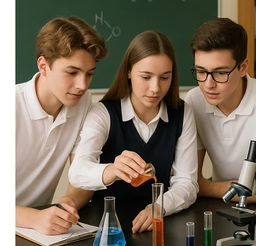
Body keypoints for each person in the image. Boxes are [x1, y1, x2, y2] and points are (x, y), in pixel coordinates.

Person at [69, 30, 198, 233]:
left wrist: (159, 207)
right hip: (108, 227)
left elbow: (187, 183)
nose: (155, 88)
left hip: (159, 222)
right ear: (128, 72)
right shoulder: (103, 113)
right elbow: (77, 172)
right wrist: (111, 170)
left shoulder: (183, 113)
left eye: (165, 77)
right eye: (146, 77)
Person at [16, 16, 108, 235]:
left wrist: (66, 204)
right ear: (43, 66)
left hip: (37, 232)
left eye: (89, 74)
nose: (82, 85)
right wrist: (34, 218)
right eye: (72, 72)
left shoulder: (83, 103)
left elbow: (82, 177)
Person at [184, 17, 256, 203]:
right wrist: (199, 185)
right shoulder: (194, 100)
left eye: (220, 72)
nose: (208, 84)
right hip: (220, 204)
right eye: (201, 72)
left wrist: (205, 187)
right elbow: (190, 181)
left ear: (243, 67)